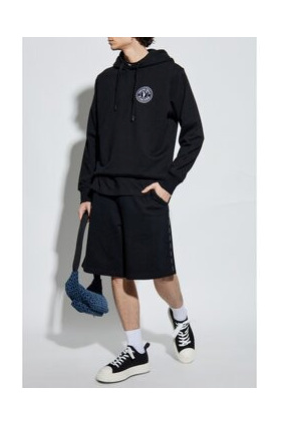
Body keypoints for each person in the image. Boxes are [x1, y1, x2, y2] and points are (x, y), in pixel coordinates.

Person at [77, 37, 205, 383]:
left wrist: (168, 184)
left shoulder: (171, 74)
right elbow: (93, 139)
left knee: (161, 272)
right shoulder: (106, 80)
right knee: (118, 273)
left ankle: (180, 318)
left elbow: (194, 134)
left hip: (146, 193)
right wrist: (86, 192)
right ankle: (136, 351)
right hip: (105, 192)